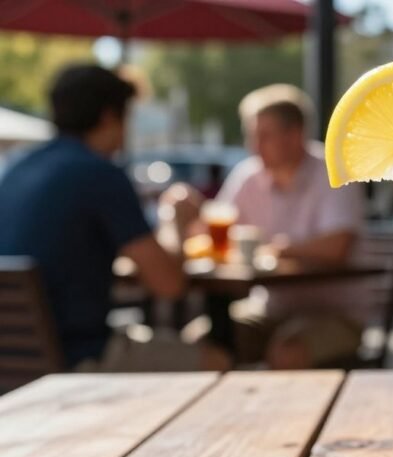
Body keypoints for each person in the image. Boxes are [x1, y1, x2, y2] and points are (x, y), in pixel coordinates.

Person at [0, 64, 228, 372]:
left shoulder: (16, 170)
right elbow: (169, 285)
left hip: (14, 360)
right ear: (109, 116)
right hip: (75, 358)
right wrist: (175, 220)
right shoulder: (99, 174)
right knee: (217, 361)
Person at [165, 84, 367, 370]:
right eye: (252, 135)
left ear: (295, 134)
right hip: (269, 310)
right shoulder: (249, 175)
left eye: (264, 136)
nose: (254, 146)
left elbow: (338, 247)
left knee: (287, 351)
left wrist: (280, 249)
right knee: (196, 345)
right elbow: (213, 234)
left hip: (334, 314)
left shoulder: (333, 172)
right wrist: (185, 214)